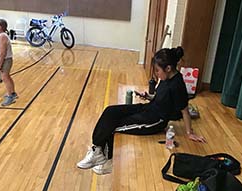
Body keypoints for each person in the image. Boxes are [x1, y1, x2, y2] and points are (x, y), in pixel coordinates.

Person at [77, 47, 206, 175]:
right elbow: (160, 97)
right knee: (110, 111)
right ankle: (97, 149)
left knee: (114, 126)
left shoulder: (178, 85)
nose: (156, 74)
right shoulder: (166, 78)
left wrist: (190, 133)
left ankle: (107, 161)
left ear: (168, 68)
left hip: (155, 121)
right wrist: (147, 96)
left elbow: (184, 110)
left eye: (157, 70)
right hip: (148, 108)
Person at [0, 18, 18, 106]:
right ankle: (13, 93)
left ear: (0, 27)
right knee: (7, 77)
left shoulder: (3, 36)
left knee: (5, 78)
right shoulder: (1, 35)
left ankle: (10, 97)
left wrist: (0, 64)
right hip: (5, 60)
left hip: (5, 60)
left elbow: (3, 52)